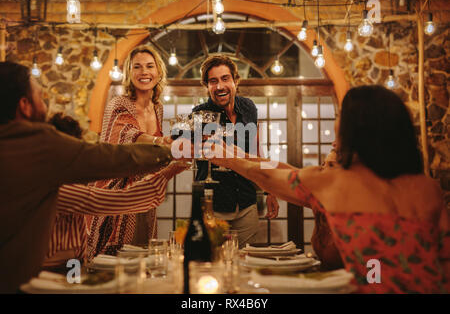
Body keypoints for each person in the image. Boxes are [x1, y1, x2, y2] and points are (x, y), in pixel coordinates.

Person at [207, 85, 450, 293]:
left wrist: (225, 157)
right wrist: (237, 153)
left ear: (355, 128)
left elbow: (266, 175)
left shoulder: (336, 182)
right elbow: (445, 261)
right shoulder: (427, 188)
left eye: (341, 115)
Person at [0, 61, 174, 293]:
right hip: (46, 272)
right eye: (41, 97)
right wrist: (171, 154)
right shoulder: (39, 148)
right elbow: (110, 168)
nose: (45, 104)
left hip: (69, 264)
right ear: (24, 105)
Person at [87, 45, 187, 258]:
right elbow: (127, 134)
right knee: (112, 257)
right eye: (137, 67)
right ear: (129, 73)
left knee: (143, 253)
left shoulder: (157, 107)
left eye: (150, 66)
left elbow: (154, 154)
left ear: (158, 72)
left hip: (145, 191)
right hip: (117, 191)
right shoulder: (119, 103)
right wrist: (161, 141)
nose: (144, 72)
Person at [43, 113, 177, 269]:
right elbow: (119, 201)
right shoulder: (58, 189)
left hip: (72, 268)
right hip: (53, 274)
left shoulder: (64, 180)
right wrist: (172, 169)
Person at [192, 55, 279, 248]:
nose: (220, 86)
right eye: (213, 81)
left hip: (246, 202)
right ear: (206, 86)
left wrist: (269, 189)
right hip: (212, 206)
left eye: (225, 79)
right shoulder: (199, 114)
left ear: (235, 81)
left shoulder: (248, 108)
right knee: (212, 264)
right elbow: (190, 152)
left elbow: (257, 149)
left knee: (245, 262)